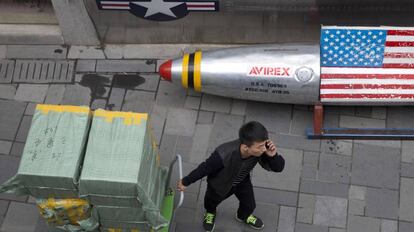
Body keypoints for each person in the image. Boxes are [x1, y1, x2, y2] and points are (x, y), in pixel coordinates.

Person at [177, 121, 285, 232]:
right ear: (245, 147)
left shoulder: (261, 152)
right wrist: (186, 181)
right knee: (211, 202)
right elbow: (204, 168)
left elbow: (278, 168)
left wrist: (273, 156)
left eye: (264, 144)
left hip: (242, 182)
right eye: (260, 147)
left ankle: (243, 216)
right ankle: (210, 213)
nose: (263, 149)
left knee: (249, 205)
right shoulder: (223, 154)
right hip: (219, 185)